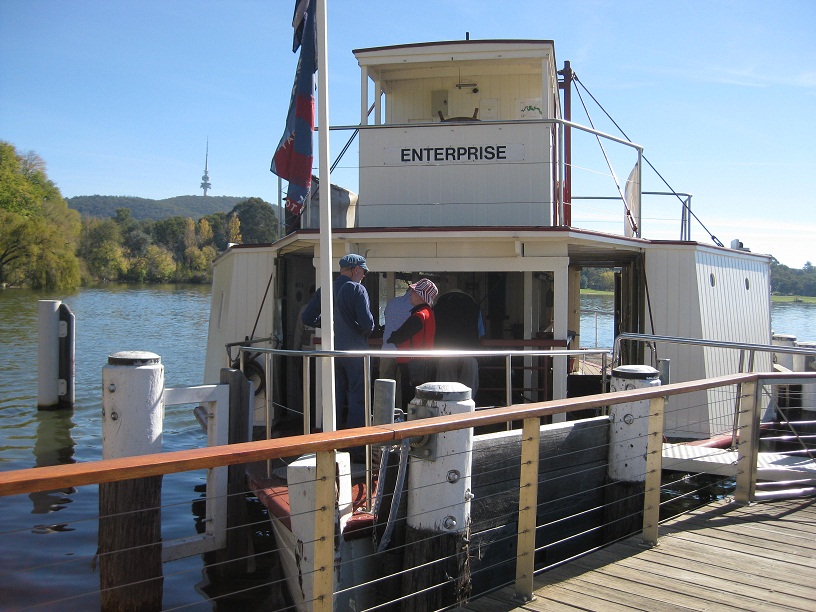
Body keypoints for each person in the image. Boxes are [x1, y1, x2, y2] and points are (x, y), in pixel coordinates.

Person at [301, 254, 375, 435]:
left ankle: (332, 439)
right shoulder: (357, 289)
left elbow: (307, 317)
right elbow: (368, 324)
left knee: (335, 396)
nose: (364, 275)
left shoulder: (325, 289)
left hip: (333, 352)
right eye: (363, 271)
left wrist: (328, 322)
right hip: (356, 352)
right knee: (358, 397)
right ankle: (356, 445)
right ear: (356, 269)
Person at [387, 278, 438, 408]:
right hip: (423, 362)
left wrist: (392, 337)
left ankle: (408, 425)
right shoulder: (429, 313)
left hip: (412, 364)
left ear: (422, 296)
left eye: (414, 292)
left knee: (409, 401)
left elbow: (399, 336)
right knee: (421, 401)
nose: (410, 294)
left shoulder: (419, 315)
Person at [434, 290, 484, 398]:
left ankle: (446, 407)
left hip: (445, 355)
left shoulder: (437, 309)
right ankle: (468, 407)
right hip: (469, 354)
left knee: (445, 388)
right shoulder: (475, 310)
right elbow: (480, 334)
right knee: (468, 389)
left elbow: (433, 332)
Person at [380, 287, 414, 400]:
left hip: (387, 350)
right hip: (403, 352)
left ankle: (383, 414)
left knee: (384, 385)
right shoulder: (415, 306)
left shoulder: (392, 302)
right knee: (401, 386)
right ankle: (399, 415)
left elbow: (386, 318)